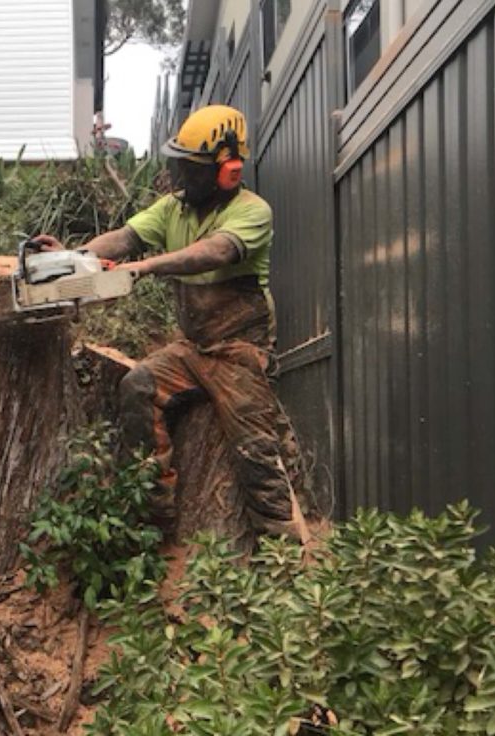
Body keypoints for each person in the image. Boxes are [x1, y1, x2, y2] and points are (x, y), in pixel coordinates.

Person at [34, 104, 310, 540]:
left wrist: (146, 267)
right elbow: (125, 237)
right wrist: (76, 258)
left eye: (194, 169)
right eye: (181, 165)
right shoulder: (172, 208)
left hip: (238, 353)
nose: (183, 176)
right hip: (193, 348)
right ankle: (154, 512)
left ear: (228, 169)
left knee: (256, 453)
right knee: (138, 386)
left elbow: (216, 252)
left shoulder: (252, 212)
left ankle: (283, 554)